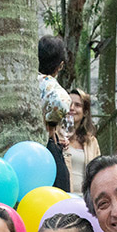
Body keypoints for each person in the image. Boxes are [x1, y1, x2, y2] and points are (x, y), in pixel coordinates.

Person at [38, 35, 71, 192]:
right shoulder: (49, 85)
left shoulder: (25, 81)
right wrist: (52, 124)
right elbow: (62, 101)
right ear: (60, 65)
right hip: (45, 145)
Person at [64, 88, 101, 194]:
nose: (72, 108)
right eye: (69, 104)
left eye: (77, 105)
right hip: (62, 199)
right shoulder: (56, 137)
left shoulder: (92, 141)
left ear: (85, 112)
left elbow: (98, 172)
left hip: (86, 201)